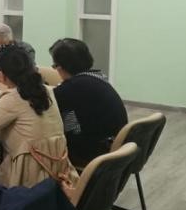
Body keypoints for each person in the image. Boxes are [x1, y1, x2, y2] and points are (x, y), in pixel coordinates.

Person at [0, 44, 72, 188]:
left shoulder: (13, 99)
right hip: (56, 169)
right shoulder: (47, 90)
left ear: (2, 75)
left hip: (28, 175)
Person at [49, 38, 128, 167]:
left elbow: (72, 129)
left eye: (54, 66)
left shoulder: (68, 90)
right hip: (118, 149)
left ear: (61, 67)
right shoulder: (98, 77)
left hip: (96, 155)